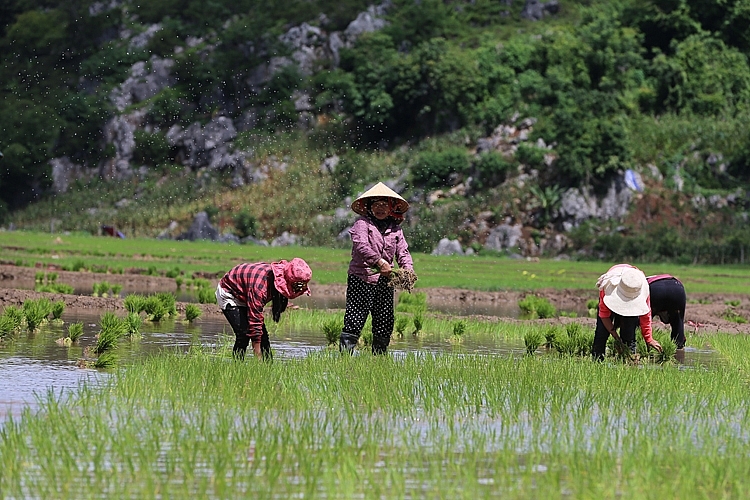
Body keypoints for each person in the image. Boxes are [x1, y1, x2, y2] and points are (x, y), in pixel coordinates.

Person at [340, 182, 414, 355]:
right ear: (369, 207)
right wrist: (379, 262)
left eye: (384, 205)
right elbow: (361, 246)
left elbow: (403, 252)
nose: (380, 208)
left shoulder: (396, 230)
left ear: (391, 208)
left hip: (385, 282)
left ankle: (379, 358)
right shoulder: (362, 224)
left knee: (384, 322)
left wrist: (407, 270)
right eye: (376, 205)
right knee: (355, 319)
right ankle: (344, 357)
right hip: (362, 278)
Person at [216, 258, 312, 360]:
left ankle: (268, 365)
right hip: (230, 293)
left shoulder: (276, 281)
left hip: (247, 292)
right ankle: (238, 367)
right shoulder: (260, 288)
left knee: (263, 337)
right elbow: (255, 322)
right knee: (243, 334)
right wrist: (258, 358)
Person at [592, 264, 663, 361]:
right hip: (615, 284)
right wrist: (617, 338)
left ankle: (629, 361)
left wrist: (649, 338)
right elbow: (604, 316)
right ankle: (597, 360)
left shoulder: (641, 288)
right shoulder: (607, 286)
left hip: (632, 289)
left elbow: (646, 316)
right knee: (601, 333)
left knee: (629, 334)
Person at [647, 274, 686, 349]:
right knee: (678, 323)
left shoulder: (641, 285)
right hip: (677, 288)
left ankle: (640, 347)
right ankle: (679, 352)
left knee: (644, 321)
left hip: (655, 290)